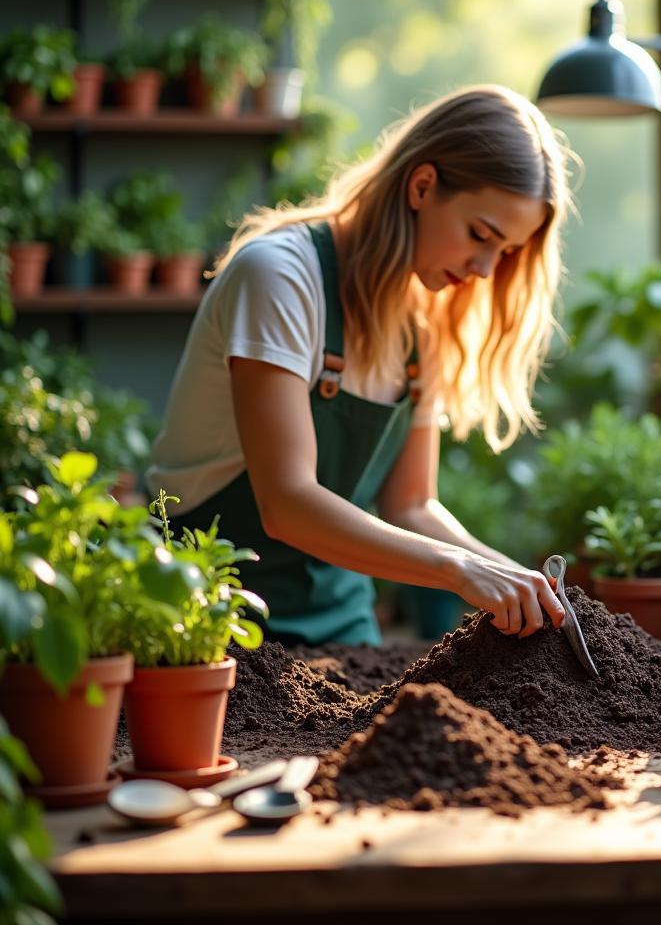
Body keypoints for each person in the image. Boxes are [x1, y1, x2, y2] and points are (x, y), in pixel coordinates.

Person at [147, 85, 571, 646]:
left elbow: (412, 505)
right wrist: (457, 569)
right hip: (206, 631)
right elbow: (287, 503)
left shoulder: (424, 327)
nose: (487, 269)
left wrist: (524, 584)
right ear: (422, 186)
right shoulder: (280, 277)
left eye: (507, 252)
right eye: (481, 235)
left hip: (344, 639)